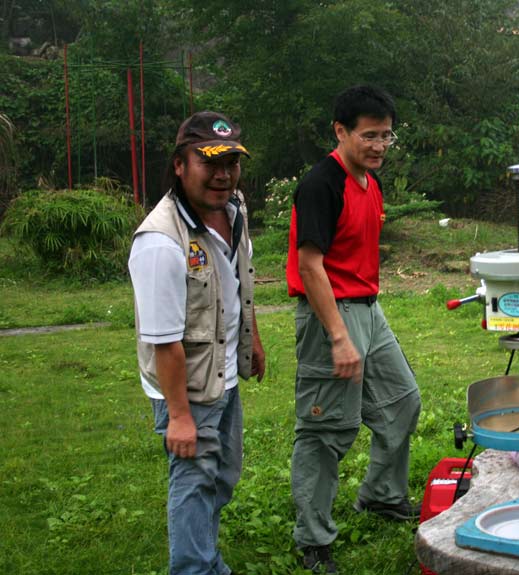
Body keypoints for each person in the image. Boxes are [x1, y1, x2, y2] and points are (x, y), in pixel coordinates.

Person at [285, 85, 422, 575]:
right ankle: (313, 540)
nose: (380, 145)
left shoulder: (371, 182)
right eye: (369, 136)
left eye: (386, 136)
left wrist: (361, 323)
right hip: (329, 314)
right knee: (326, 430)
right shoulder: (322, 184)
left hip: (368, 308)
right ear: (340, 131)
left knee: (402, 401)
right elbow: (310, 265)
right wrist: (339, 336)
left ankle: (382, 494)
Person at [129, 111, 266, 575]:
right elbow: (164, 341)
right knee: (193, 481)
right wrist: (180, 417)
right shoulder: (160, 242)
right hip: (185, 387)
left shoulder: (233, 209)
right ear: (180, 165)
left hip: (222, 373)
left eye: (232, 162)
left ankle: (207, 559)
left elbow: (237, 281)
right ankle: (194, 568)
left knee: (222, 475)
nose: (223, 174)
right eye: (209, 162)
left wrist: (253, 338)